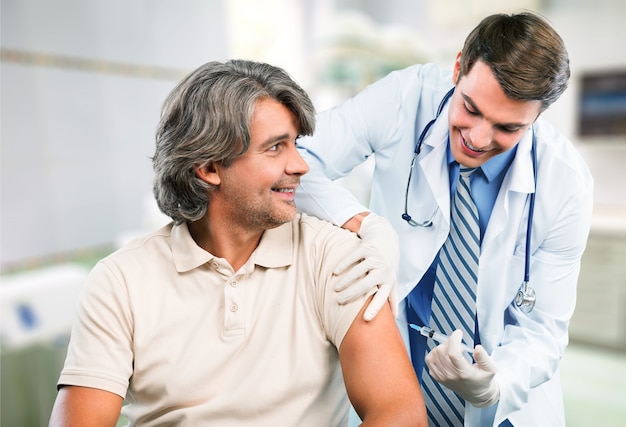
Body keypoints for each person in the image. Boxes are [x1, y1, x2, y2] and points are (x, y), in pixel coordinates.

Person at [49, 59, 427, 426]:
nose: (301, 166)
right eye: (276, 147)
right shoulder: (120, 281)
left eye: (295, 143)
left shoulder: (334, 257)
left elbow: (401, 415)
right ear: (210, 167)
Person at [295, 11, 593, 427]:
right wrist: (365, 224)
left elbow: (544, 329)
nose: (478, 138)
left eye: (507, 127)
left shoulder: (566, 184)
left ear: (538, 116)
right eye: (470, 108)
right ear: (457, 68)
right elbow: (297, 160)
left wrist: (493, 384)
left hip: (505, 402)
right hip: (401, 370)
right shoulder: (405, 97)